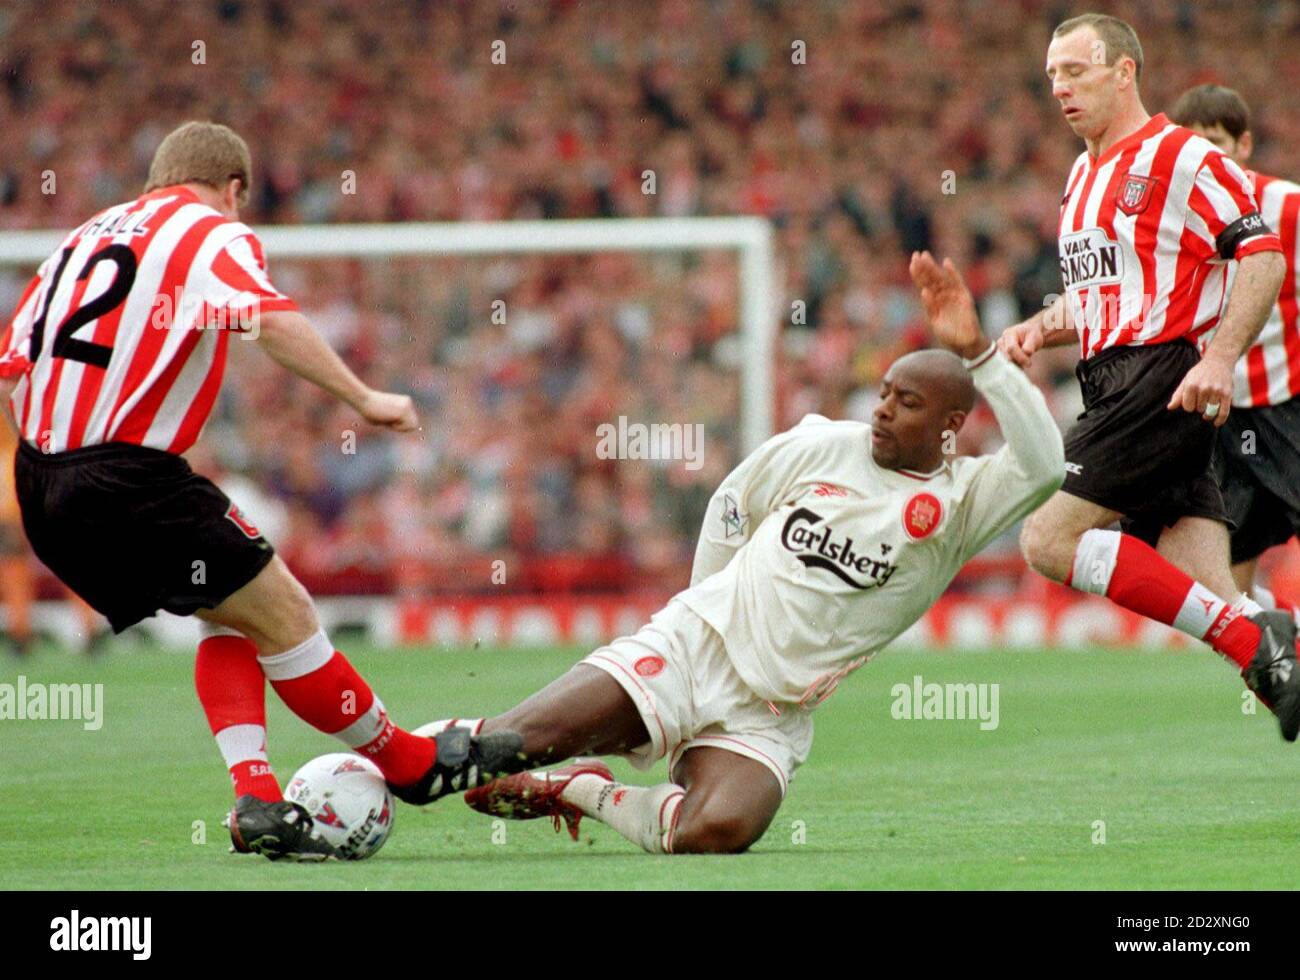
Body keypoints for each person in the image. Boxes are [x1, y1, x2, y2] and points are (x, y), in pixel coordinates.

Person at [409, 252, 1063, 854]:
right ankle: (368, 768)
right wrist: (700, 612)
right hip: (694, 647)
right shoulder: (823, 444)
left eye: (908, 402)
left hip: (773, 712)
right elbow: (731, 504)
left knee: (713, 832)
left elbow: (1045, 466)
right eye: (885, 392)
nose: (884, 410)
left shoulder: (964, 501)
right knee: (506, 744)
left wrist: (980, 355)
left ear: (952, 424)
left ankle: (583, 789)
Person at [0, 121, 521, 860]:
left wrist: (63, 453)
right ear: (233, 189)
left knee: (228, 612)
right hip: (128, 479)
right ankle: (408, 763)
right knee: (287, 615)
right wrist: (363, 397)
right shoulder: (209, 230)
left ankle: (258, 799)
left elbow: (12, 366)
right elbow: (269, 321)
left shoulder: (76, 242)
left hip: (40, 482)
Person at [981, 14, 1300, 736]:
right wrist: (1043, 326)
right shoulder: (1082, 172)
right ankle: (1272, 643)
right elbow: (1108, 297)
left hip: (1161, 379)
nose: (1061, 89)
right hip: (1115, 378)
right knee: (1212, 591)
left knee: (1047, 540)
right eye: (1053, 76)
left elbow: (1264, 255)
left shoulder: (1182, 157)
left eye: (1077, 71)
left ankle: (1257, 642)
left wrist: (1220, 357)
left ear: (1124, 71)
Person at [1168, 84, 1300, 618]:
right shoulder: (1171, 219)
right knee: (1225, 581)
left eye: (1216, 143)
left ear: (1243, 146)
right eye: (1193, 146)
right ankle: (1272, 666)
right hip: (1218, 417)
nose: (1206, 158)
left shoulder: (1287, 207)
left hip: (1288, 405)